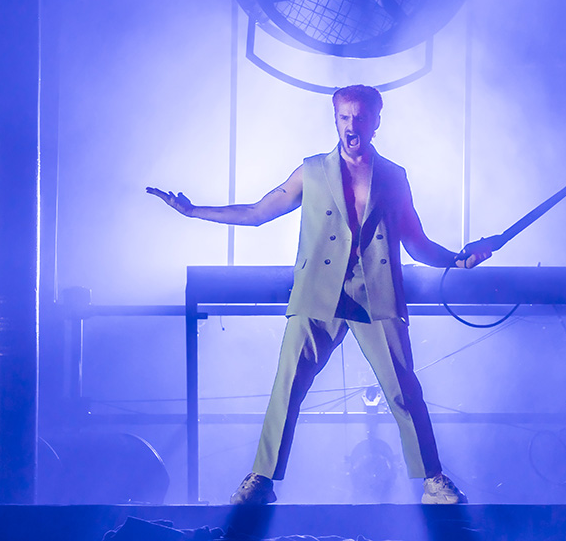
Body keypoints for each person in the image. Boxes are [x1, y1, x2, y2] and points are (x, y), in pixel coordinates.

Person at [147, 85, 492, 505]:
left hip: (376, 294)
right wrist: (194, 211)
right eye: (345, 117)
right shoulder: (311, 171)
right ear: (335, 119)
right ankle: (261, 480)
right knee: (287, 387)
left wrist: (456, 260)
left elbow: (416, 241)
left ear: (376, 121)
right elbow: (259, 213)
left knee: (403, 389)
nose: (352, 127)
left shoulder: (393, 176)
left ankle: (432, 481)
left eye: (361, 118)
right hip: (317, 295)